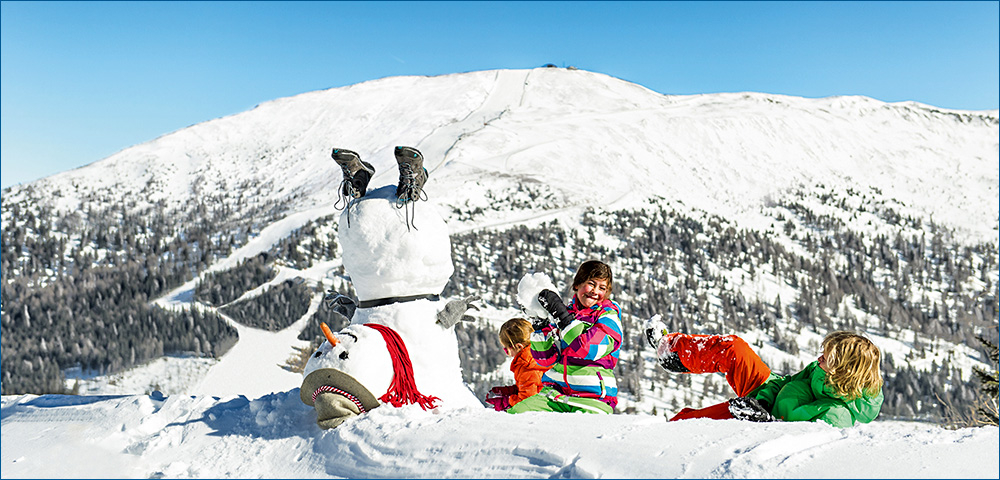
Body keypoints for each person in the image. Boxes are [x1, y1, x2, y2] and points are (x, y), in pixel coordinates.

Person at [646, 321, 884, 427]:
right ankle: (672, 352)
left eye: (827, 358)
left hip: (761, 421)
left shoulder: (837, 416)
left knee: (692, 423)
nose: (819, 358)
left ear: (845, 372)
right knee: (734, 348)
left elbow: (801, 448)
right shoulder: (819, 370)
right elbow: (787, 384)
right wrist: (761, 400)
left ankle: (663, 438)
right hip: (765, 397)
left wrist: (766, 421)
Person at [507, 260, 623, 414]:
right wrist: (540, 325)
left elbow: (587, 350)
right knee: (516, 415)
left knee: (580, 434)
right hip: (555, 396)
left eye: (602, 288)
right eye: (591, 284)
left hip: (592, 399)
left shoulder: (608, 317)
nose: (595, 291)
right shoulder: (563, 315)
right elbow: (545, 359)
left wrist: (563, 317)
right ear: (577, 285)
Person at [484, 318, 548, 411]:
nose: (506, 353)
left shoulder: (526, 366)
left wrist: (505, 402)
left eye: (506, 349)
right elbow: (532, 386)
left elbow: (527, 402)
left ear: (518, 346)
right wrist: (510, 391)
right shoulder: (539, 355)